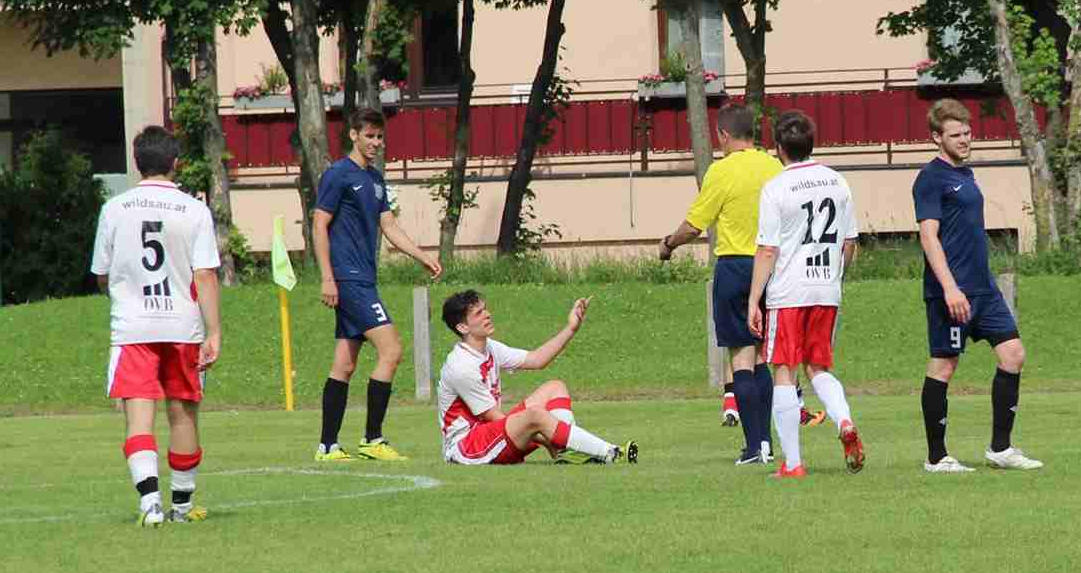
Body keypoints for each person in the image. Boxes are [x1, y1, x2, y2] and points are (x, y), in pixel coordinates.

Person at [661, 102, 817, 463]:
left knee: (741, 359)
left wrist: (668, 244)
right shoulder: (773, 165)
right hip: (774, 267)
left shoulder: (721, 171)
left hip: (735, 268)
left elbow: (694, 225)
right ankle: (769, 445)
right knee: (766, 356)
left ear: (724, 135)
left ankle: (755, 445)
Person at [91, 125, 222, 526]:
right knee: (182, 416)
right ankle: (181, 507)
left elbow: (101, 273)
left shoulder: (115, 208)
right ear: (175, 162)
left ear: (137, 163)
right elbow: (205, 275)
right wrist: (213, 331)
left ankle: (150, 505)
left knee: (139, 418)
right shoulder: (194, 209)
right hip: (182, 327)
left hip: (133, 328)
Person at [914, 99, 1043, 473]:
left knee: (1013, 355)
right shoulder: (930, 178)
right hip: (950, 292)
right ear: (937, 137)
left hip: (984, 289)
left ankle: (1000, 450)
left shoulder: (966, 175)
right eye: (955, 135)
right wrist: (951, 289)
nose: (964, 140)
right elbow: (928, 237)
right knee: (944, 366)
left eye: (967, 133)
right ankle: (936, 458)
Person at [313, 108, 442, 462]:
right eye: (369, 135)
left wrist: (421, 255)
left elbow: (389, 226)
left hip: (364, 278)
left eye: (379, 136)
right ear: (353, 135)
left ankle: (327, 447)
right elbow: (319, 225)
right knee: (392, 350)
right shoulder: (338, 175)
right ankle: (372, 439)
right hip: (349, 280)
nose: (375, 142)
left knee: (344, 365)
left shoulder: (376, 179)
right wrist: (327, 277)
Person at [746, 110, 865, 478]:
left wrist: (754, 299)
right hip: (826, 288)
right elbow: (850, 242)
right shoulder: (837, 182)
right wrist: (836, 278)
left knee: (784, 369)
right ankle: (843, 420)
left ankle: (793, 463)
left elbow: (768, 250)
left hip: (788, 292)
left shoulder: (777, 187)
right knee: (818, 366)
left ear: (778, 148)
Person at [437, 290, 638, 465]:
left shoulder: (488, 346)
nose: (488, 315)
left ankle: (565, 452)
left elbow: (537, 359)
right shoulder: (461, 366)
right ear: (462, 327)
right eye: (479, 313)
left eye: (486, 309)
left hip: (492, 435)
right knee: (536, 416)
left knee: (555, 387)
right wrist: (546, 432)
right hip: (467, 449)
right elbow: (494, 417)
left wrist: (571, 328)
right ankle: (611, 453)